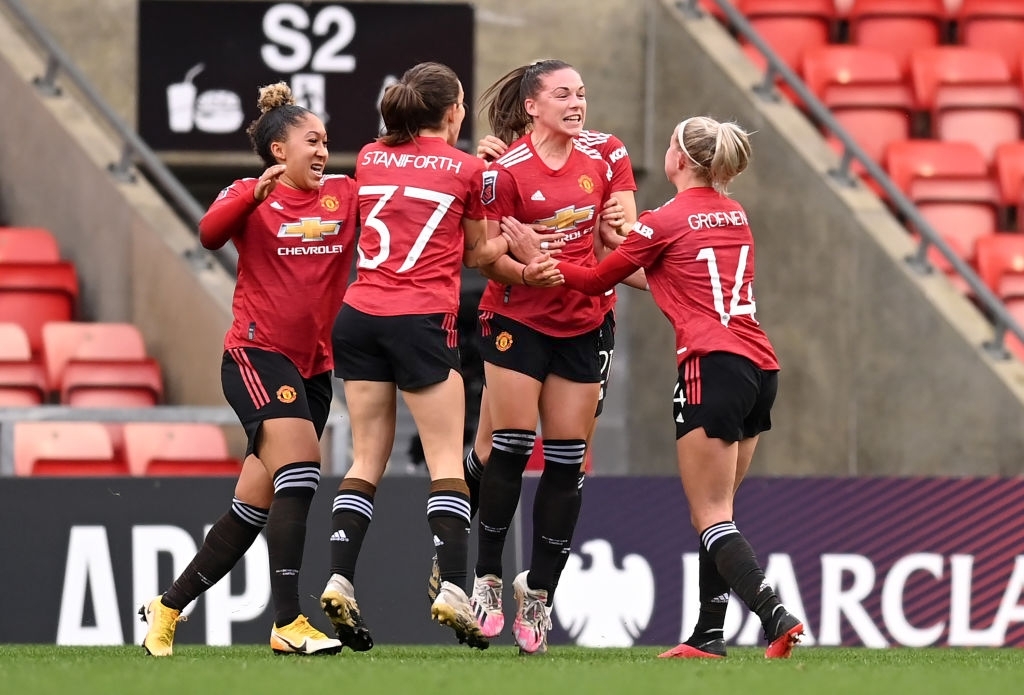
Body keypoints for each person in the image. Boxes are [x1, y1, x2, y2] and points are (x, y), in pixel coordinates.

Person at [537, 115, 805, 659]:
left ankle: (773, 613)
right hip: (760, 368)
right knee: (720, 512)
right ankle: (708, 634)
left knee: (710, 515)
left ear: (678, 158)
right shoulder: (733, 213)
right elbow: (672, 273)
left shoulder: (663, 220)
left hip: (712, 365)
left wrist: (540, 252)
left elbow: (596, 281)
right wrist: (621, 242)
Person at [317, 61, 534, 652]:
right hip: (420, 320)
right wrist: (513, 238)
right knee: (444, 460)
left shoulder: (370, 156)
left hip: (359, 315)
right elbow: (476, 254)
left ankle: (339, 577)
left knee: (367, 456)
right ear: (453, 111)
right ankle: (454, 588)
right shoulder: (469, 170)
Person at [139, 82, 358, 657]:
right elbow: (210, 234)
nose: (322, 151)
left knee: (251, 508)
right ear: (278, 150)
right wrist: (252, 198)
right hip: (256, 357)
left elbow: (399, 198)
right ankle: (288, 622)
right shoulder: (247, 192)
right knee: (302, 472)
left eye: (326, 142)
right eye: (312, 141)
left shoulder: (345, 195)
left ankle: (167, 606)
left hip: (314, 369)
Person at [462, 59, 624, 655]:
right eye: (562, 94)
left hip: (580, 323)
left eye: (581, 93)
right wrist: (526, 271)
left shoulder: (598, 166)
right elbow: (483, 257)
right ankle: (486, 579)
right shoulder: (504, 171)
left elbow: (611, 243)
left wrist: (623, 243)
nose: (576, 103)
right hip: (517, 320)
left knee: (566, 462)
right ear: (532, 106)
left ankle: (539, 594)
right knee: (509, 445)